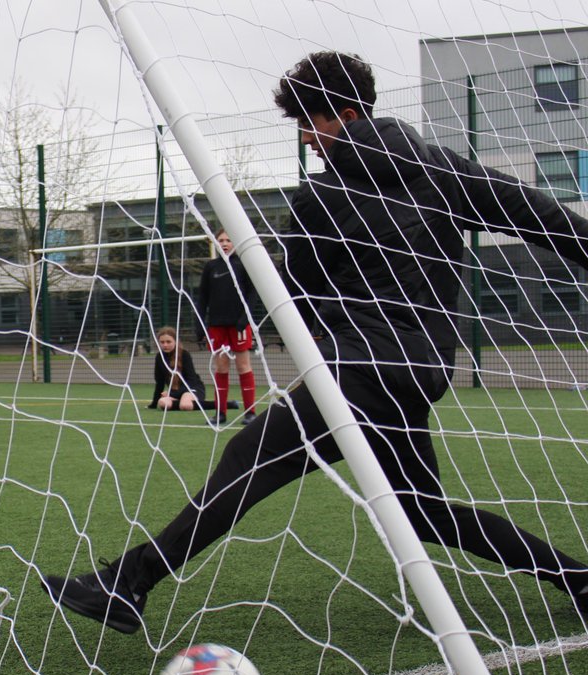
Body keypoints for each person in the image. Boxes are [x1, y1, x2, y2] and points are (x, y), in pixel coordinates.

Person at [43, 51, 588, 633]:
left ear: (346, 114)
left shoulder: (317, 199)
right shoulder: (443, 169)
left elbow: (299, 302)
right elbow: (544, 216)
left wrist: (318, 354)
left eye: (310, 122)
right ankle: (577, 578)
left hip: (359, 373)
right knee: (422, 513)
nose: (306, 138)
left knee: (245, 458)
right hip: (419, 372)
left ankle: (128, 585)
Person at [197, 230, 257, 425]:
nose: (224, 243)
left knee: (243, 366)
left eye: (228, 240)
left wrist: (244, 319)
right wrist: (199, 324)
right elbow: (203, 297)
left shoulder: (243, 265)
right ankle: (220, 413)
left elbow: (253, 294)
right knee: (221, 368)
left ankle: (250, 413)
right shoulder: (211, 267)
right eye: (220, 240)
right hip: (217, 326)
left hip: (238, 325)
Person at [148, 326, 211, 413]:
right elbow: (160, 382)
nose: (165, 345)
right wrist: (154, 404)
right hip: (177, 393)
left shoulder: (184, 354)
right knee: (163, 403)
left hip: (192, 389)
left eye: (168, 342)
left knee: (185, 405)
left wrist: (172, 394)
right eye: (162, 342)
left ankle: (225, 404)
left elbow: (191, 380)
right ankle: (184, 403)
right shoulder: (159, 357)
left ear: (175, 341)